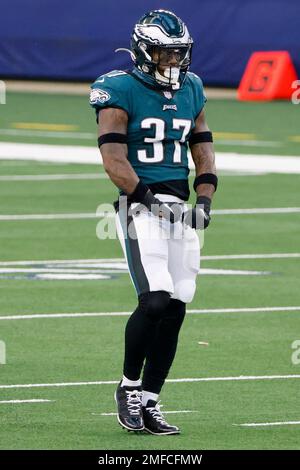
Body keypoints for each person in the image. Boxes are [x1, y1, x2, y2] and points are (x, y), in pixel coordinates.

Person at [90, 9, 217, 435]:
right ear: (145, 51)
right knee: (156, 299)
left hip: (180, 205)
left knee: (178, 303)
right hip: (137, 204)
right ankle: (127, 386)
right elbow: (113, 159)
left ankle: (151, 401)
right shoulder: (118, 88)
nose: (173, 62)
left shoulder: (193, 88)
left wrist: (205, 197)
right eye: (165, 53)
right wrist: (146, 199)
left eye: (179, 54)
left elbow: (202, 148)